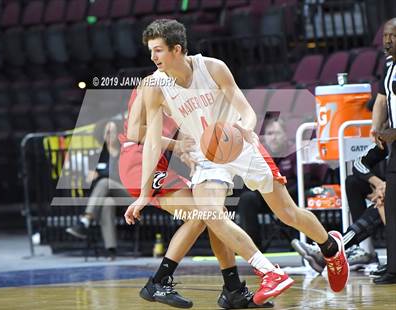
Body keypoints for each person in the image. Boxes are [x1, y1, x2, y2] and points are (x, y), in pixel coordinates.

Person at [125, 19, 349, 305]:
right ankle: (268, 272)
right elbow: (152, 142)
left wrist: (246, 126)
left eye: (158, 51)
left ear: (177, 49)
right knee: (211, 214)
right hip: (207, 157)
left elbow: (246, 110)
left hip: (240, 145)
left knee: (288, 214)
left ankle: (330, 247)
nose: (152, 57)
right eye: (151, 51)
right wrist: (145, 194)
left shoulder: (212, 67)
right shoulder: (155, 87)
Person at [119, 88, 273, 308]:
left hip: (159, 161)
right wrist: (177, 146)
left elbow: (180, 136)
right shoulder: (151, 84)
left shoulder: (184, 93)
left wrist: (188, 153)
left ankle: (233, 289)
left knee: (213, 215)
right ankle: (158, 282)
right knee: (201, 215)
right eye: (155, 51)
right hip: (138, 159)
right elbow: (137, 132)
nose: (156, 56)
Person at [292, 143, 387, 273]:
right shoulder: (386, 140)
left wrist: (388, 190)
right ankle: (365, 250)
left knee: (384, 202)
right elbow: (358, 163)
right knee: (353, 182)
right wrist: (379, 184)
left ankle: (332, 248)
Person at [237, 116, 327, 248]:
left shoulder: (295, 151)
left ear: (285, 135)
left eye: (277, 133)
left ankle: (309, 245)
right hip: (267, 197)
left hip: (293, 198)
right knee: (247, 198)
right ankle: (254, 249)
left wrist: (283, 195)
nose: (273, 137)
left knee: (309, 194)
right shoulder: (258, 154)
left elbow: (306, 180)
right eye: (269, 133)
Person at [66, 118, 131, 259]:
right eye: (106, 132)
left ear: (119, 134)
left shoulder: (125, 152)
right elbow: (89, 180)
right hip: (108, 196)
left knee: (104, 182)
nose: (109, 135)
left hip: (127, 194)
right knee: (107, 202)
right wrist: (95, 177)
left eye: (112, 132)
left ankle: (85, 220)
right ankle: (111, 249)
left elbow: (122, 176)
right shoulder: (97, 155)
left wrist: (100, 174)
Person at [370, 17, 396, 285]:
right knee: (391, 205)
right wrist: (375, 127)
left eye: (393, 36)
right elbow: (381, 99)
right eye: (385, 36)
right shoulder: (389, 67)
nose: (387, 42)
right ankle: (393, 268)